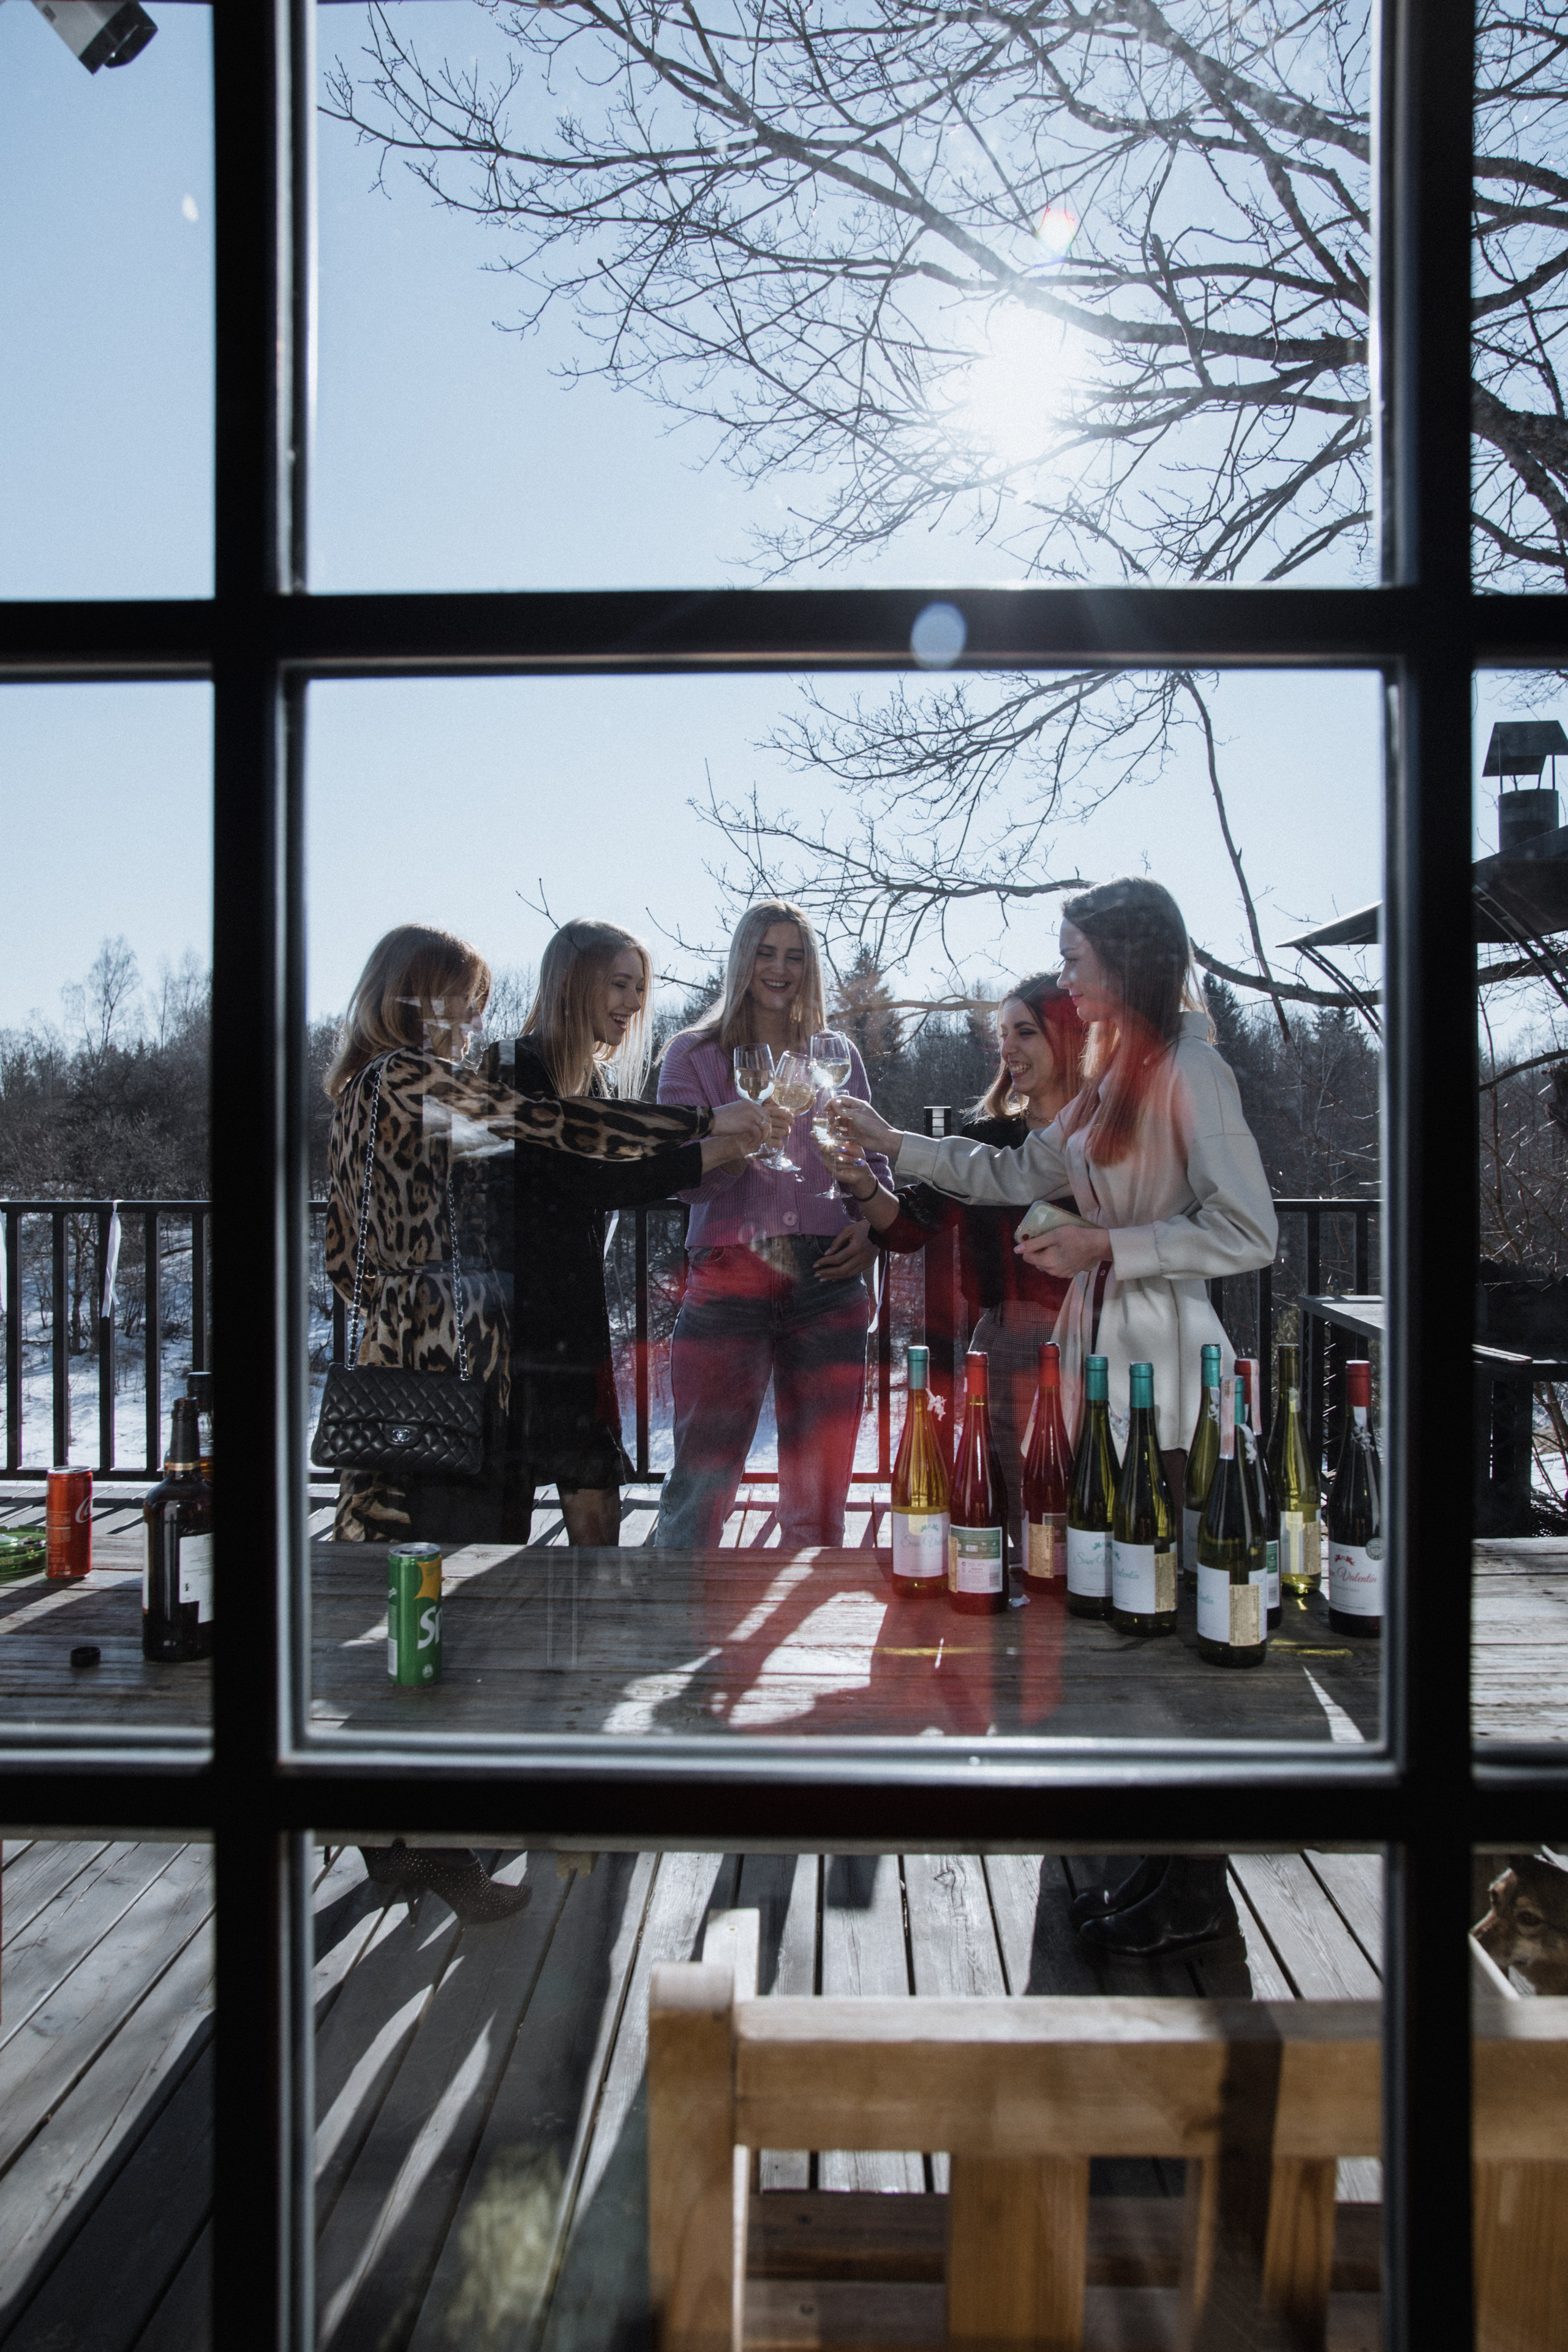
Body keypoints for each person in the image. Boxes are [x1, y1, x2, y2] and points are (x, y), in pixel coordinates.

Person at [832, 878, 1277, 1958]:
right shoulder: (1114, 1075)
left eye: (1075, 958)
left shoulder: (1191, 1071)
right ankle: (1160, 1868)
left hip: (1167, 1376)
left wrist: (1108, 1247)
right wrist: (895, 1138)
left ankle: (1196, 1889)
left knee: (1169, 1616)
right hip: (1098, 1359)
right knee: (1118, 1608)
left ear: (1123, 963)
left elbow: (1250, 1230)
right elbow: (1011, 1169)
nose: (1065, 976)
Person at [323, 924, 763, 1551]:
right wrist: (701, 1124)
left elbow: (344, 1259)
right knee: (460, 1547)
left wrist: (397, 1307)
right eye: (465, 996)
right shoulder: (411, 1077)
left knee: (405, 1547)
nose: (477, 1013)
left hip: (399, 1344)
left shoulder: (362, 1089)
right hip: (457, 1351)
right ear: (415, 996)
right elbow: (547, 1126)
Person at [498, 919, 758, 1546]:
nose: (635, 1003)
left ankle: (599, 1632)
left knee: (593, 1488)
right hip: (508, 1325)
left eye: (639, 988)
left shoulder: (594, 1081)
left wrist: (718, 1151)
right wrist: (710, 1151)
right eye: (620, 985)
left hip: (573, 1314)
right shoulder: (513, 1069)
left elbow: (617, 1173)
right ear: (572, 982)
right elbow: (587, 1181)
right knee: (501, 1508)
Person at [651, 900, 893, 1551]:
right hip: (731, 1275)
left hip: (830, 1277)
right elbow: (678, 1176)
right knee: (701, 1488)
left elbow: (870, 1157)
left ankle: (805, 1651)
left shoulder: (833, 1053)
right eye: (765, 952)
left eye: (795, 955)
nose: (779, 968)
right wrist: (745, 1137)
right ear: (741, 961)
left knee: (818, 1496)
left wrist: (872, 1233)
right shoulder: (693, 1054)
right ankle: (663, 1631)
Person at [848, 973, 1086, 1531]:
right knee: (1011, 1514)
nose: (1007, 1048)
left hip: (1103, 1338)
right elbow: (908, 1228)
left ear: (1070, 1038)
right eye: (1002, 1033)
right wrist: (861, 1181)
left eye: (1024, 1032)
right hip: (1012, 1343)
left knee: (1092, 1505)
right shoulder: (988, 1138)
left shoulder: (1111, 1134)